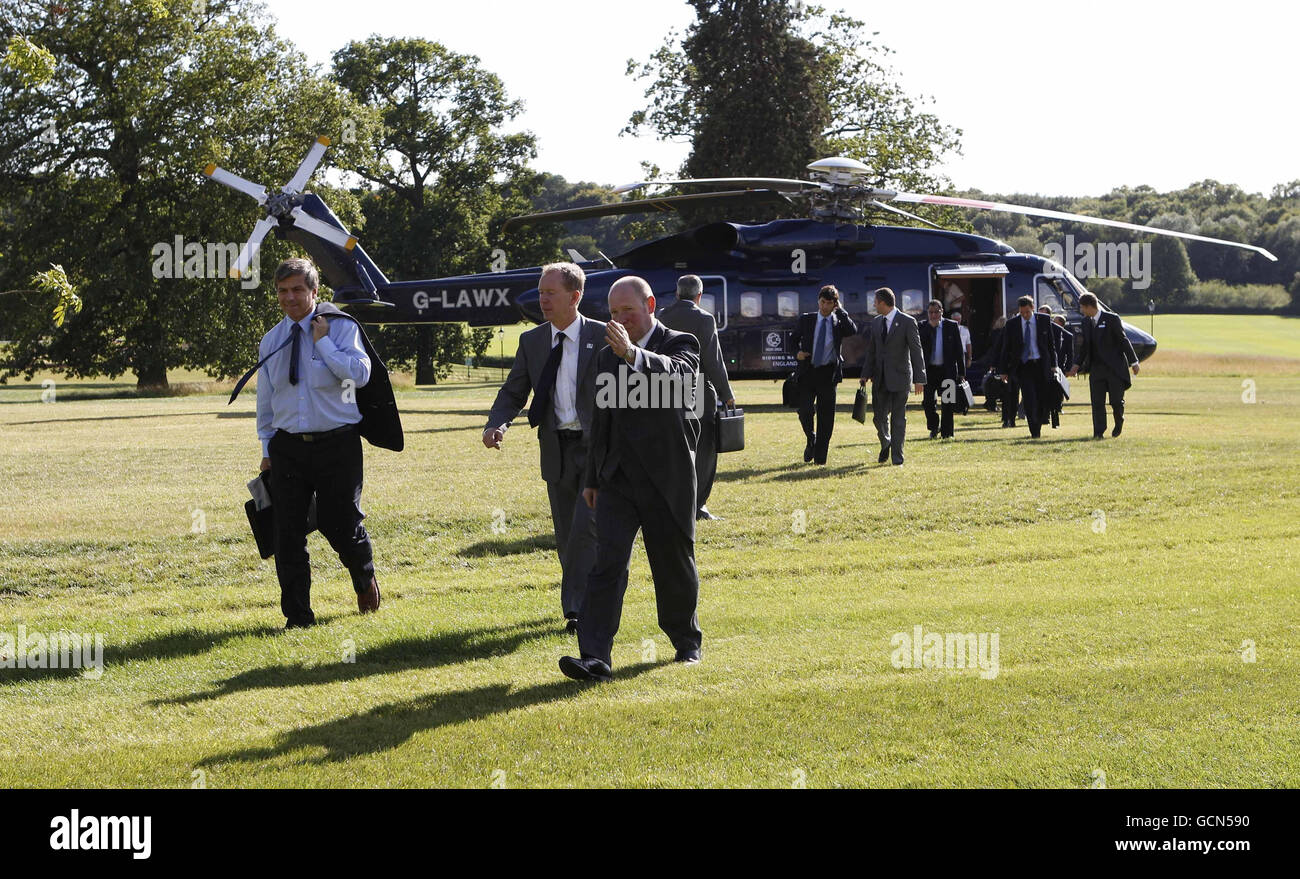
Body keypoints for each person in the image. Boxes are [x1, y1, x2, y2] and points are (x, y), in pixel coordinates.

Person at [560, 276, 703, 682]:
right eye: (614, 313)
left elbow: (679, 378)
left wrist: (634, 354)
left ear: (651, 305)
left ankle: (686, 643)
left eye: (628, 311)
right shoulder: (607, 356)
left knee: (672, 563)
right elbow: (601, 420)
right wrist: (591, 479)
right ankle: (594, 656)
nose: (619, 320)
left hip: (667, 478)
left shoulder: (681, 343)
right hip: (616, 480)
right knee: (606, 565)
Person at [255, 258, 380, 629]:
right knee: (287, 532)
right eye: (282, 291)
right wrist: (266, 450)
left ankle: (364, 577)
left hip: (337, 444)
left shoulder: (340, 329)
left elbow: (359, 374)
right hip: (287, 448)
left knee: (340, 523)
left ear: (314, 292)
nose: (290, 297)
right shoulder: (271, 340)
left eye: (297, 289)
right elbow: (266, 402)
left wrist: (323, 344)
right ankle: (298, 617)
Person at [484, 262, 608, 633]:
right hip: (556, 449)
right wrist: (497, 423)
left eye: (550, 293)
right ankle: (584, 601)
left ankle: (578, 612)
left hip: (595, 449)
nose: (542, 299)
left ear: (575, 296)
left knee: (586, 530)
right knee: (566, 533)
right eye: (541, 292)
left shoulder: (603, 336)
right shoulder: (532, 341)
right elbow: (514, 390)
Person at [658, 274, 735, 520]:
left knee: (672, 446)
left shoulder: (662, 315)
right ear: (699, 296)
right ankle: (697, 504)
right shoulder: (704, 318)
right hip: (699, 387)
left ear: (677, 293)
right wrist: (727, 394)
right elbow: (713, 360)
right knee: (704, 449)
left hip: (666, 387)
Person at [790, 285, 858, 465]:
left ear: (834, 304)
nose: (825, 306)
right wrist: (796, 353)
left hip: (828, 374)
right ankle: (811, 438)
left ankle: (820, 458)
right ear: (818, 301)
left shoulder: (838, 322)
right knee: (804, 411)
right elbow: (792, 340)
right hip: (807, 371)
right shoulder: (807, 319)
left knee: (826, 417)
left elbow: (853, 330)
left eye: (829, 303)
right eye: (822, 302)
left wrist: (841, 310)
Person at [859, 287, 926, 465]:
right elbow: (872, 351)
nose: (873, 305)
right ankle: (886, 441)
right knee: (878, 417)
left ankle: (897, 457)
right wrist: (865, 374)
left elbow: (916, 351)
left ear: (883, 303)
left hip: (900, 378)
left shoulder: (907, 322)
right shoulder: (875, 323)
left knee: (898, 418)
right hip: (880, 378)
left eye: (875, 302)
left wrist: (920, 379)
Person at [1069, 292, 1139, 438]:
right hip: (1096, 369)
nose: (1081, 310)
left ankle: (1119, 422)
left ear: (1089, 306)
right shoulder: (1086, 322)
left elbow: (1123, 340)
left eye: (1082, 307)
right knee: (1097, 402)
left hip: (1114, 368)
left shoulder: (1112, 319)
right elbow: (1085, 347)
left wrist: (1134, 362)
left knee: (1115, 401)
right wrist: (1076, 364)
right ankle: (1098, 432)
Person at [998, 295, 1057, 438]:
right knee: (1029, 399)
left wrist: (1054, 365)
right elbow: (1006, 348)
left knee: (1042, 398)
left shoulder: (1043, 320)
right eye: (1022, 312)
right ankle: (1034, 431)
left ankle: (1040, 422)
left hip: (1041, 365)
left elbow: (1051, 344)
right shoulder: (1012, 324)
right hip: (1023, 367)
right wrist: (1004, 370)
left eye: (1027, 312)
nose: (1024, 315)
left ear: (1033, 308)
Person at [918, 300, 965, 439]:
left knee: (948, 402)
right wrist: (930, 328)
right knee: (928, 402)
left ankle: (947, 433)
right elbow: (918, 347)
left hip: (947, 371)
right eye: (930, 312)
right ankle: (933, 427)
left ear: (942, 311)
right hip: (929, 371)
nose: (933, 315)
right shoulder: (922, 326)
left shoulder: (951, 326)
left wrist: (961, 372)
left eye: (936, 312)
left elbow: (959, 350)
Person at [1047, 314, 1074, 429]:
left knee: (1059, 389)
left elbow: (1070, 353)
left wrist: (1068, 368)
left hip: (1060, 367)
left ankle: (1058, 407)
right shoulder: (1048, 334)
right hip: (1048, 366)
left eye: (1055, 321)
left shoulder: (1067, 336)